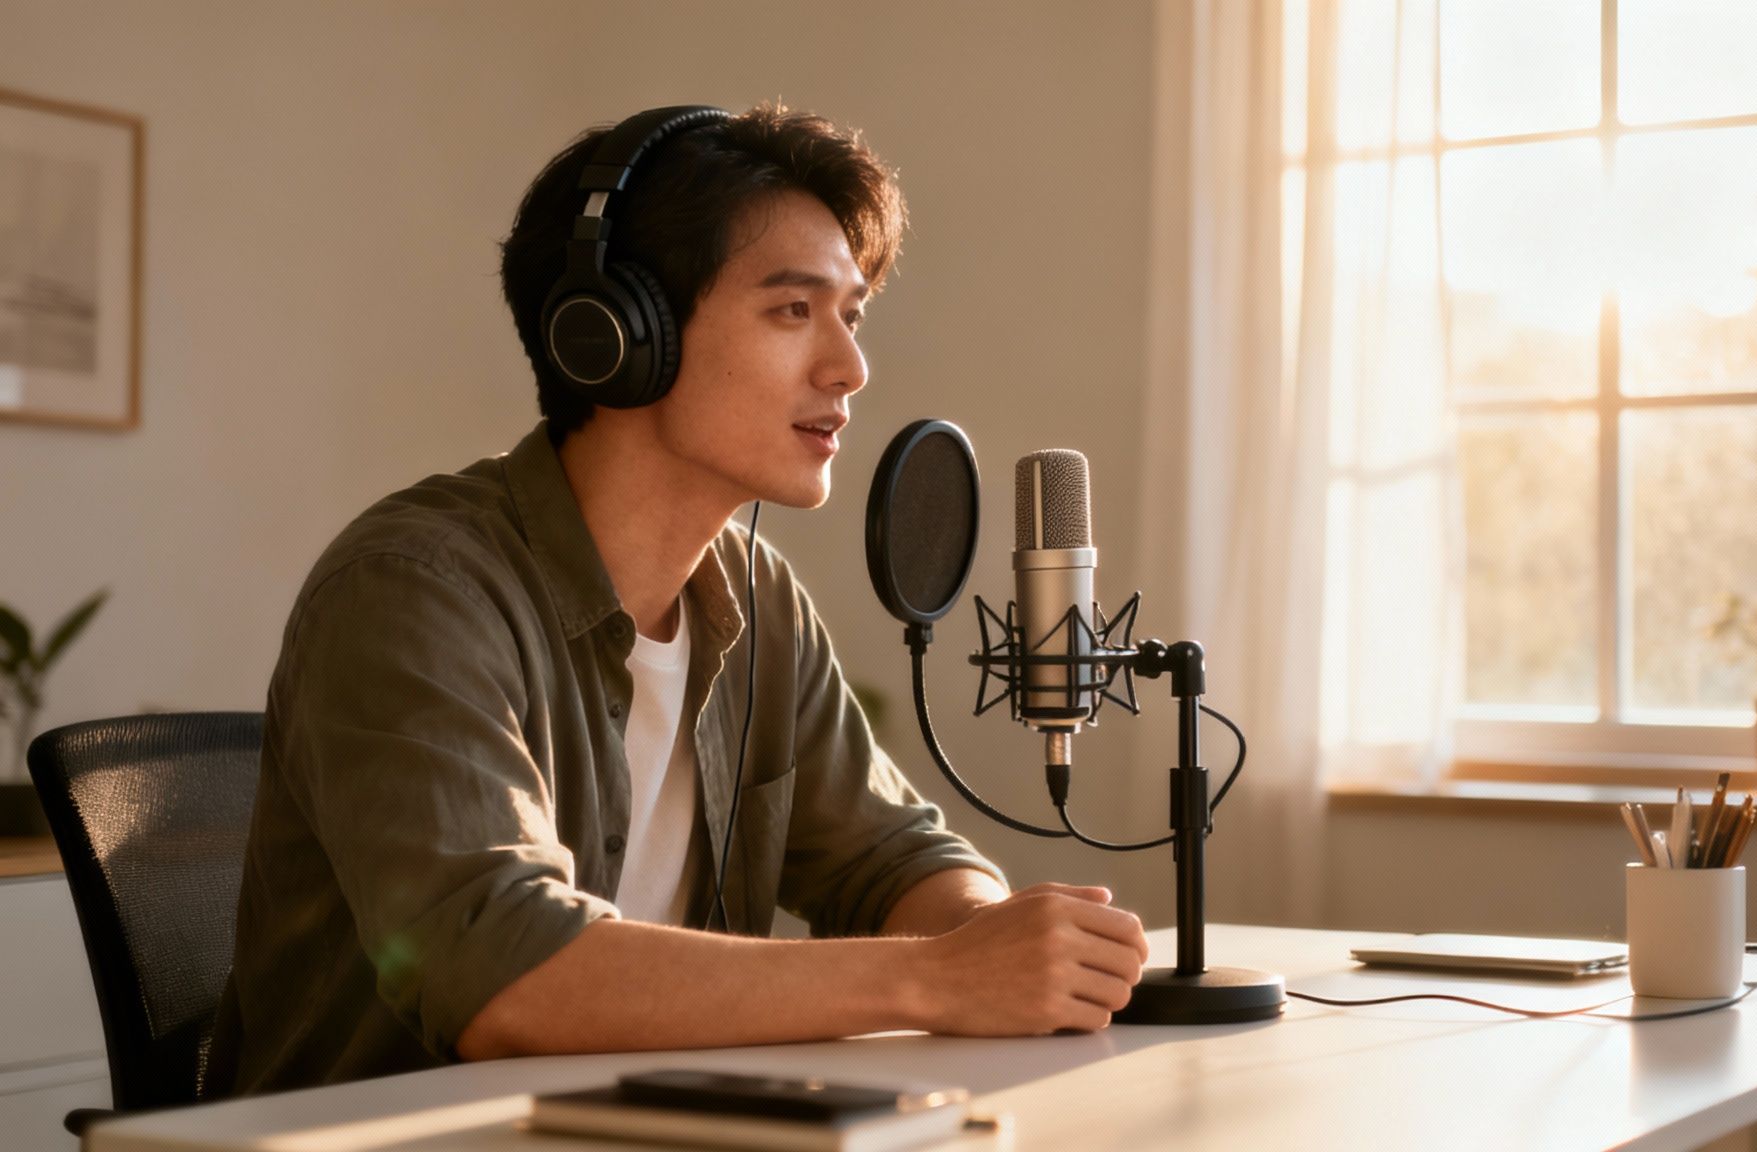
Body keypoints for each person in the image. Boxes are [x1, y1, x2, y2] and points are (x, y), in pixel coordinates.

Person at [207, 103, 1148, 1097]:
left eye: (850, 314)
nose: (849, 368)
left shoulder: (754, 599)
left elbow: (887, 855)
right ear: (616, 333)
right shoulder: (414, 590)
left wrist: (991, 938)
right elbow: (499, 972)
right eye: (793, 310)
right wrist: (934, 976)